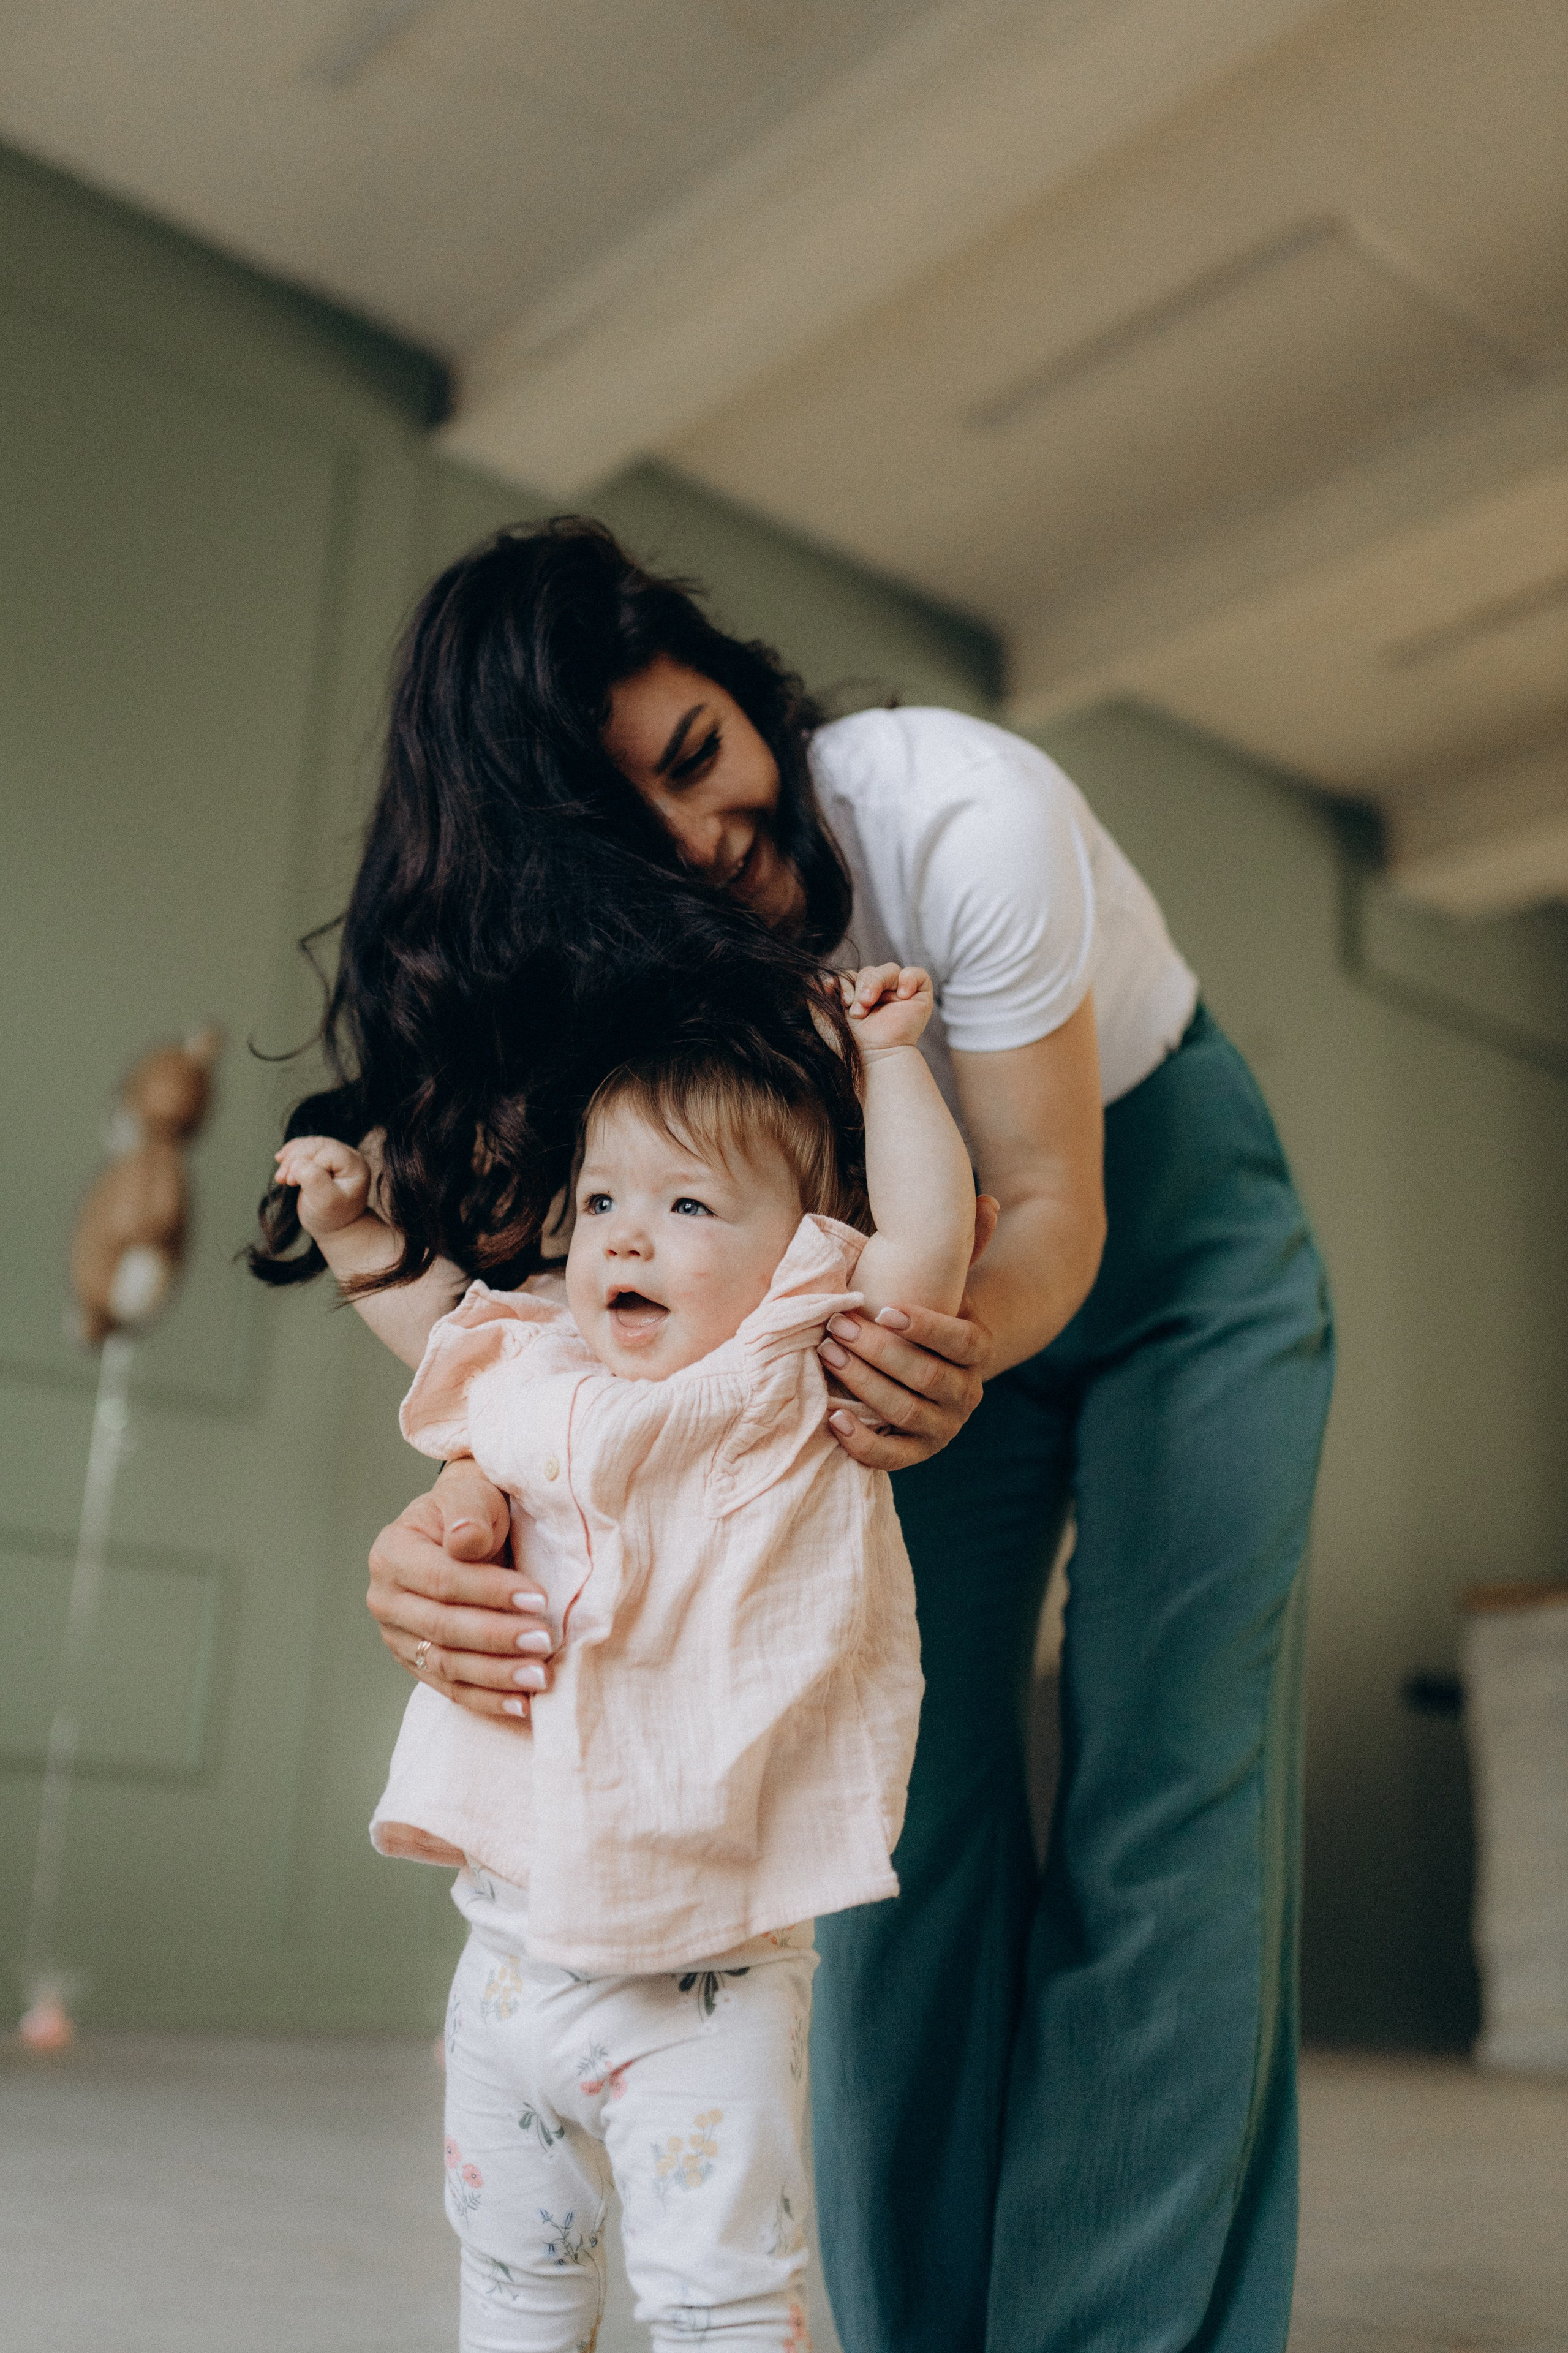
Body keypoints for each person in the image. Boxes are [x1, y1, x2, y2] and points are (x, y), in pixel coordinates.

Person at [281, 521, 1333, 2353]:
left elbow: (1046, 1209)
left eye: (701, 757)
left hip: (1160, 1240)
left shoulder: (957, 810)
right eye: (638, 832)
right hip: (858, 1321)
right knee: (881, 1819)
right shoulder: (624, 981)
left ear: (737, 681)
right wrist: (459, 1519)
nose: (704, 843)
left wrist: (941, 1354)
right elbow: (586, 1358)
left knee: (1173, 1795)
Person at [265, 954, 978, 2351]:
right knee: (513, 2279)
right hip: (506, 1956)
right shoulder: (541, 1366)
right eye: (602, 1202)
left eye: (686, 1204)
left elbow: (927, 1245)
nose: (625, 1240)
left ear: (799, 1248)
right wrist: (355, 1235)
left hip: (702, 1974)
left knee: (715, 2296)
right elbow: (436, 1325)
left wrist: (892, 1063)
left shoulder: (788, 1362)